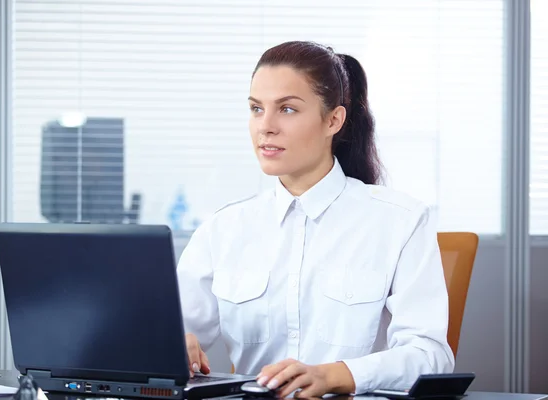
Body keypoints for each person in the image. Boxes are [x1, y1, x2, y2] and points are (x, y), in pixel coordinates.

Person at [176, 40, 454, 398]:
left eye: (287, 109)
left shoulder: (400, 221)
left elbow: (429, 355)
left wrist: (335, 376)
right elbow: (170, 332)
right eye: (256, 109)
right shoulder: (223, 229)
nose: (266, 126)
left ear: (333, 120)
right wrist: (173, 345)